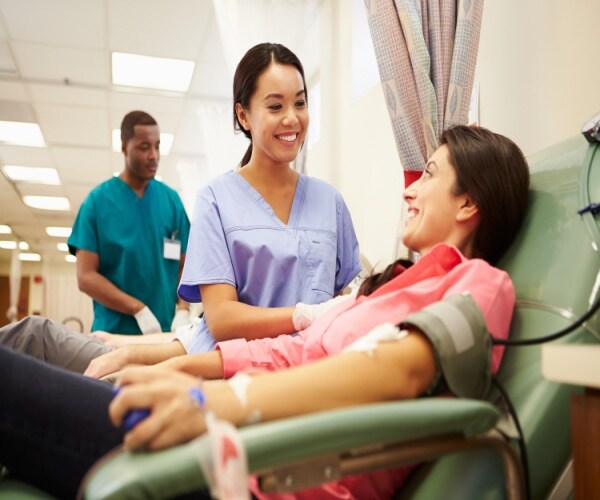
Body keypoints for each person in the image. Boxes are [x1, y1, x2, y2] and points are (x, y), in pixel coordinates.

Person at [0, 124, 530, 499]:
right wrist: (176, 367)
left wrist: (214, 403)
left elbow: (401, 369)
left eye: (430, 175)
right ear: (244, 118)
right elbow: (289, 350)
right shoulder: (391, 287)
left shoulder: (480, 286)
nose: (411, 188)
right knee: (28, 339)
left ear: (467, 203)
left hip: (261, 474)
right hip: (234, 437)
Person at [0, 44, 360, 378]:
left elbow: (344, 310)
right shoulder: (216, 199)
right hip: (193, 348)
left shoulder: (330, 203)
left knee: (38, 339)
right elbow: (220, 320)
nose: (292, 118)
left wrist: (152, 339)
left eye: (300, 103)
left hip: (235, 372)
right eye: (275, 106)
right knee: (35, 334)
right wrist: (305, 314)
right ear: (244, 116)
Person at [68, 110, 192, 335]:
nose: (154, 155)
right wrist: (138, 309)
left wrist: (183, 309)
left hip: (165, 334)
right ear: (124, 147)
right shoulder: (97, 203)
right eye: (144, 147)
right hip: (113, 333)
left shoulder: (171, 201)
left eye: (157, 146)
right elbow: (85, 277)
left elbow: (186, 263)